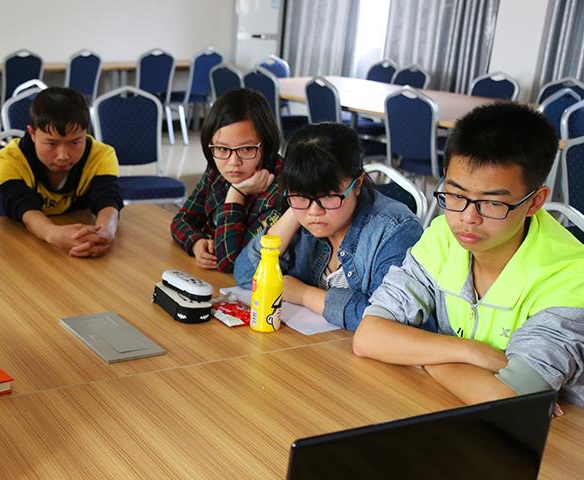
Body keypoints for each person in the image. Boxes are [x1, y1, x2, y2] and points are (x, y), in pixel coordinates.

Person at [353, 103, 584, 411]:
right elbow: (369, 337)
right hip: (457, 411)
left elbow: (513, 402)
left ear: (535, 202)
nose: (467, 218)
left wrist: (423, 354)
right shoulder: (443, 235)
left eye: (491, 203)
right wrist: (472, 353)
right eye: (456, 195)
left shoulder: (571, 275)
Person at [233, 123, 423, 331]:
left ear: (357, 184)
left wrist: (304, 295)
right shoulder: (300, 213)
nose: (314, 212)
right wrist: (295, 209)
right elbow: (246, 274)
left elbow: (387, 321)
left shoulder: (394, 229)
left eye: (328, 196)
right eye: (300, 195)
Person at [0, 87, 122, 257]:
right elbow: (24, 207)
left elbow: (108, 199)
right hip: (22, 249)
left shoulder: (102, 155)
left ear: (86, 132)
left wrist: (105, 233)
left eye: (75, 142)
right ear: (32, 134)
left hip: (80, 246)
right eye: (51, 144)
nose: (63, 156)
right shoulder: (9, 160)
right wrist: (53, 234)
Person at [170, 88, 284, 272]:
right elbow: (182, 220)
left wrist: (236, 193)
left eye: (246, 149)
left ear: (267, 144)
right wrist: (196, 242)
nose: (233, 163)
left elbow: (231, 261)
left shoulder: (280, 189)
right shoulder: (216, 171)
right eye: (222, 149)